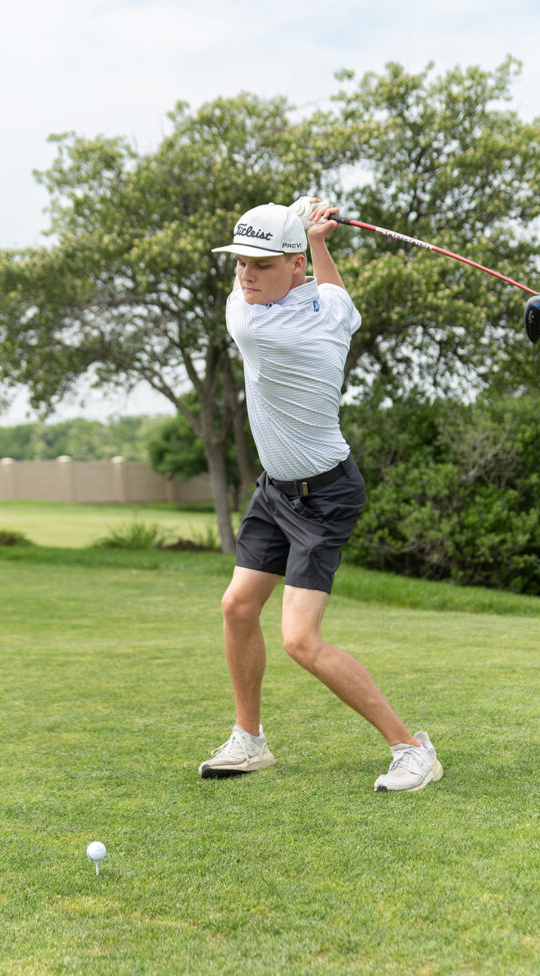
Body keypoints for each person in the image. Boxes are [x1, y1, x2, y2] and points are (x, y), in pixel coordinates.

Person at [200, 199, 443, 792]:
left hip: (325, 496)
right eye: (239, 265)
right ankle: (249, 740)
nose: (245, 277)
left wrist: (307, 235)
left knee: (299, 641)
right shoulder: (328, 305)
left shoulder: (255, 325)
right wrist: (317, 242)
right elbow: (333, 294)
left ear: (290, 266)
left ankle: (413, 750)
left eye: (260, 264)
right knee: (236, 607)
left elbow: (308, 289)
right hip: (276, 487)